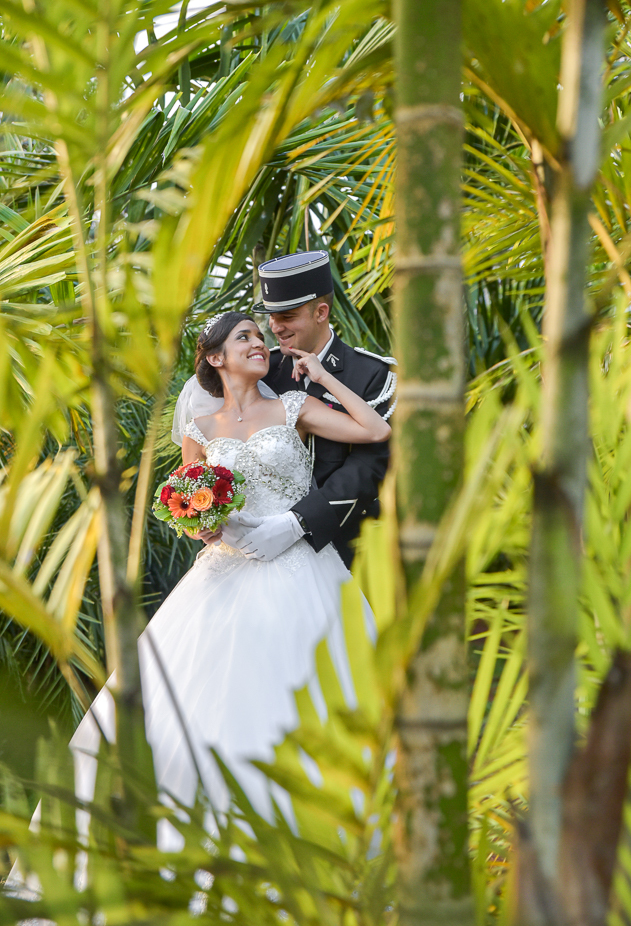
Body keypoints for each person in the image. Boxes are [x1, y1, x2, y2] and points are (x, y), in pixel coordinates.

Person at [67, 309, 391, 843]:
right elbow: (186, 504)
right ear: (216, 358)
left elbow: (375, 430)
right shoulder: (199, 428)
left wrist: (323, 376)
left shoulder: (293, 405)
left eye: (260, 336)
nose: (260, 342)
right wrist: (207, 526)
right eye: (245, 337)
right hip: (225, 571)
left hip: (301, 563)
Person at [184, 250, 396, 568]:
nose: (274, 328)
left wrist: (298, 521)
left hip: (347, 546)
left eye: (286, 317)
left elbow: (369, 465)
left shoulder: (370, 373)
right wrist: (206, 523)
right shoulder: (261, 368)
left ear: (320, 312)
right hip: (246, 552)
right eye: (270, 317)